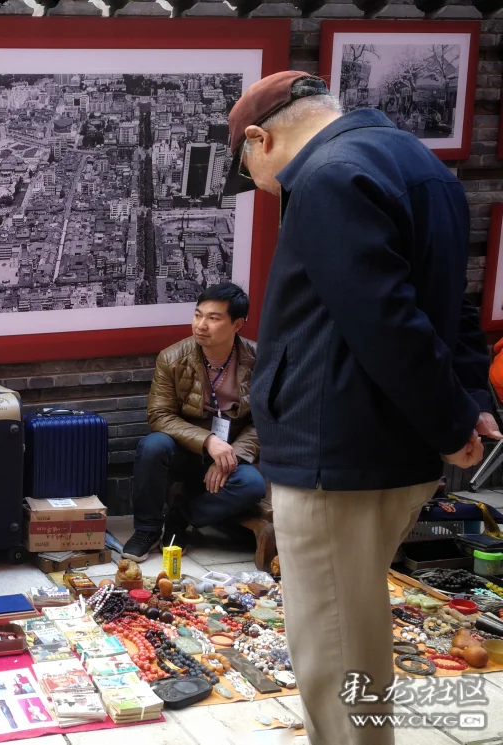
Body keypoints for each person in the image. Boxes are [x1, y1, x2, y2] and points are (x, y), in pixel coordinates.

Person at [222, 70, 500, 745]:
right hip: (389, 446)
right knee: (357, 618)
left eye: (250, 172)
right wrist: (466, 403)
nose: (262, 188)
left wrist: (451, 418)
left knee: (335, 641)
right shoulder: (416, 162)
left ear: (259, 138)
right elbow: (450, 304)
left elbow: (386, 320)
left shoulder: (326, 177)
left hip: (336, 448)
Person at [121, 282, 269, 563]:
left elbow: (264, 421)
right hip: (182, 449)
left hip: (229, 452)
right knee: (152, 446)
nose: (201, 325)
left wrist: (230, 456)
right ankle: (147, 529)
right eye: (198, 315)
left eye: (213, 318)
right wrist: (208, 442)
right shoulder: (172, 357)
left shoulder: (258, 359)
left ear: (237, 324)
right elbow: (159, 415)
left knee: (252, 486)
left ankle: (181, 517)